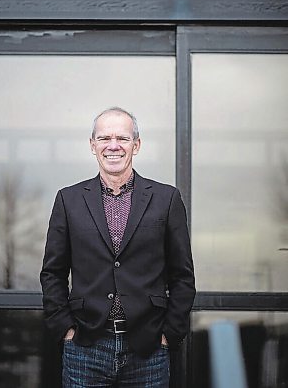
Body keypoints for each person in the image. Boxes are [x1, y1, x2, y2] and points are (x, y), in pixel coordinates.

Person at [40, 107, 195, 387]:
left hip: (148, 349)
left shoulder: (166, 199)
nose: (113, 146)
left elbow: (182, 275)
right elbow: (52, 273)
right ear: (92, 145)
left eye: (122, 138)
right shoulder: (68, 200)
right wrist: (65, 329)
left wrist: (170, 333)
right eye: (104, 138)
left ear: (136, 145)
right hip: (85, 347)